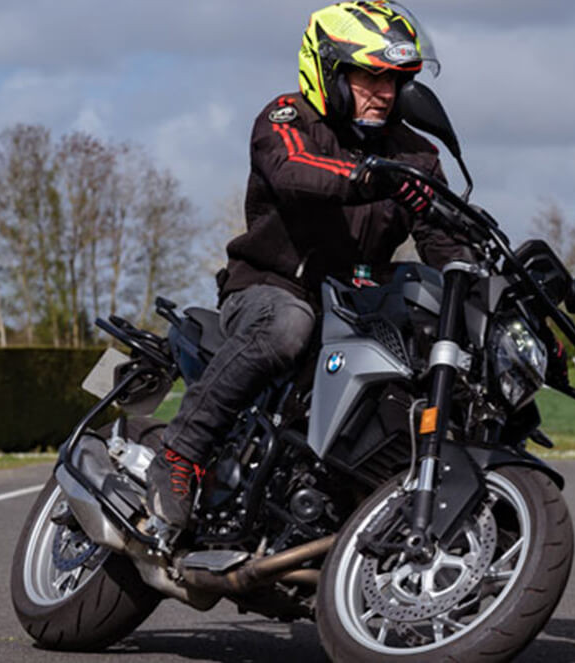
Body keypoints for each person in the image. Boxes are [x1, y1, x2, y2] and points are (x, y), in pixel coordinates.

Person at [145, 1, 469, 530]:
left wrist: (496, 284)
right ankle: (178, 456)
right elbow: (294, 170)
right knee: (288, 327)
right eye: (370, 75)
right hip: (271, 289)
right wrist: (370, 177)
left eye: (396, 80)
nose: (385, 92)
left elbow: (446, 240)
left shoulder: (417, 156)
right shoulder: (287, 118)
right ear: (330, 71)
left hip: (355, 307)